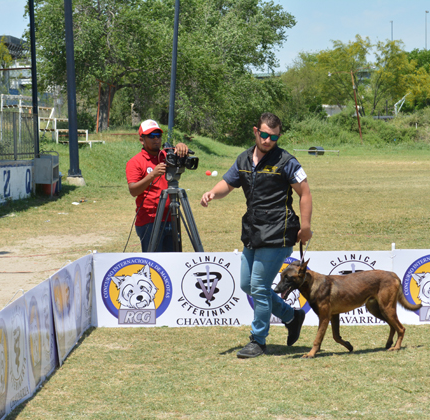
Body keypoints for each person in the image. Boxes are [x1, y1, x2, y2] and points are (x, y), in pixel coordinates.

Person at [201, 112, 313, 358]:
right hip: (253, 232)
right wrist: (212, 193)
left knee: (259, 286)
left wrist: (305, 227)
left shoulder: (287, 161)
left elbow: (305, 193)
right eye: (264, 135)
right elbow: (228, 183)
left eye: (274, 137)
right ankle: (291, 316)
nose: (267, 140)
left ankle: (258, 340)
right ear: (256, 131)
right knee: (247, 284)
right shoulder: (243, 159)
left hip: (278, 232)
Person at [126, 119, 190, 252]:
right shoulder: (135, 162)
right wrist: (152, 175)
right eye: (151, 136)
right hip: (149, 221)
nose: (156, 139)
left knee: (173, 260)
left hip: (171, 217)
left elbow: (183, 157)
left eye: (158, 135)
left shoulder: (167, 156)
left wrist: (181, 147)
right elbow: (133, 191)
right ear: (142, 140)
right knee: (154, 262)